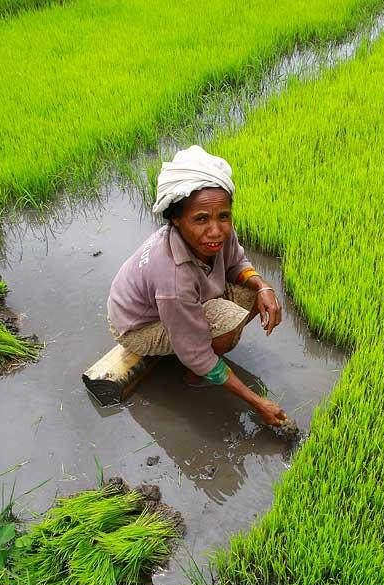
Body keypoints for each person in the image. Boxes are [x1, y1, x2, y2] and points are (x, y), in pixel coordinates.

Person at [107, 145, 289, 428]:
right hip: (139, 326)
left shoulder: (218, 234)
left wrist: (264, 287)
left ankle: (202, 347)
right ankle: (195, 376)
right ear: (175, 220)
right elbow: (196, 351)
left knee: (254, 294)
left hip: (180, 303)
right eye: (201, 219)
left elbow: (236, 263)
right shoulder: (173, 277)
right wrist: (258, 402)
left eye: (223, 216)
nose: (216, 230)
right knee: (223, 324)